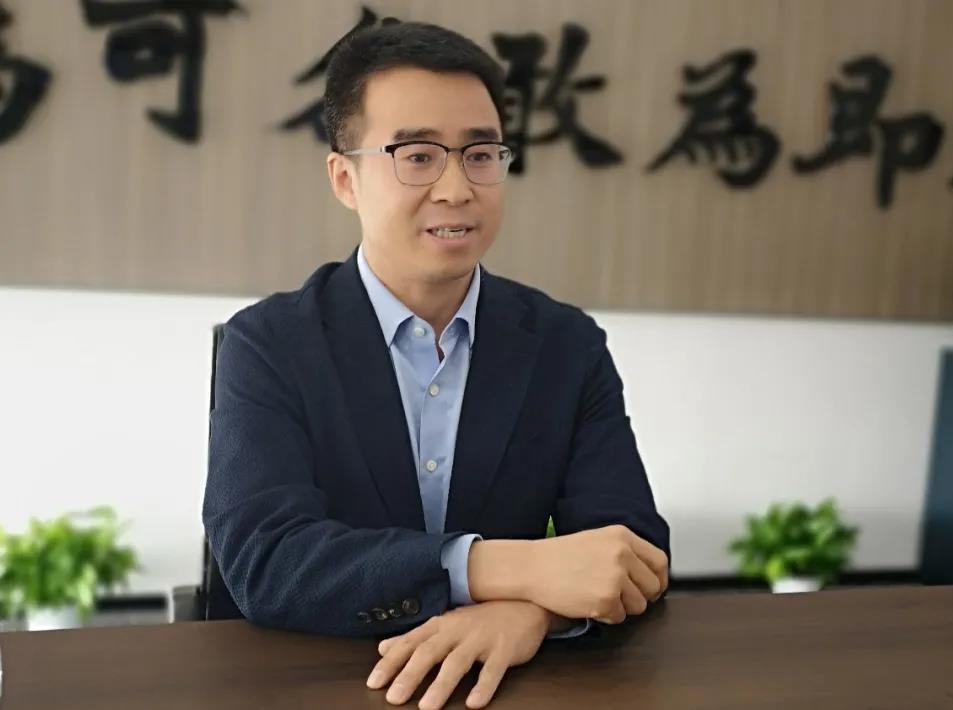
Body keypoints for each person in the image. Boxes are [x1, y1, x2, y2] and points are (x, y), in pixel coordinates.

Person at [203, 20, 669, 710]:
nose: (456, 188)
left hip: (505, 689)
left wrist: (530, 614)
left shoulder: (567, 345)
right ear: (345, 178)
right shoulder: (267, 344)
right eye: (418, 156)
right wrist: (506, 569)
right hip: (313, 685)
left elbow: (633, 551)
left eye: (479, 154)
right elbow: (267, 560)